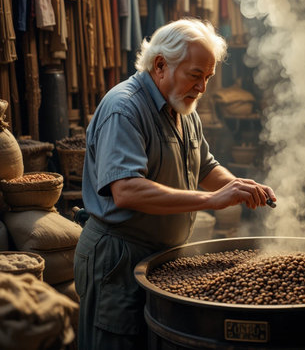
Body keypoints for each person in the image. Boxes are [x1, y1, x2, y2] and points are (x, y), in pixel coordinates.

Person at [74, 18, 276, 350]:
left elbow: (204, 167)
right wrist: (211, 201)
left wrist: (238, 186)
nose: (202, 88)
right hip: (117, 261)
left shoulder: (184, 110)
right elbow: (126, 190)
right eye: (195, 75)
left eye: (208, 77)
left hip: (159, 257)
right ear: (160, 65)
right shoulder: (124, 109)